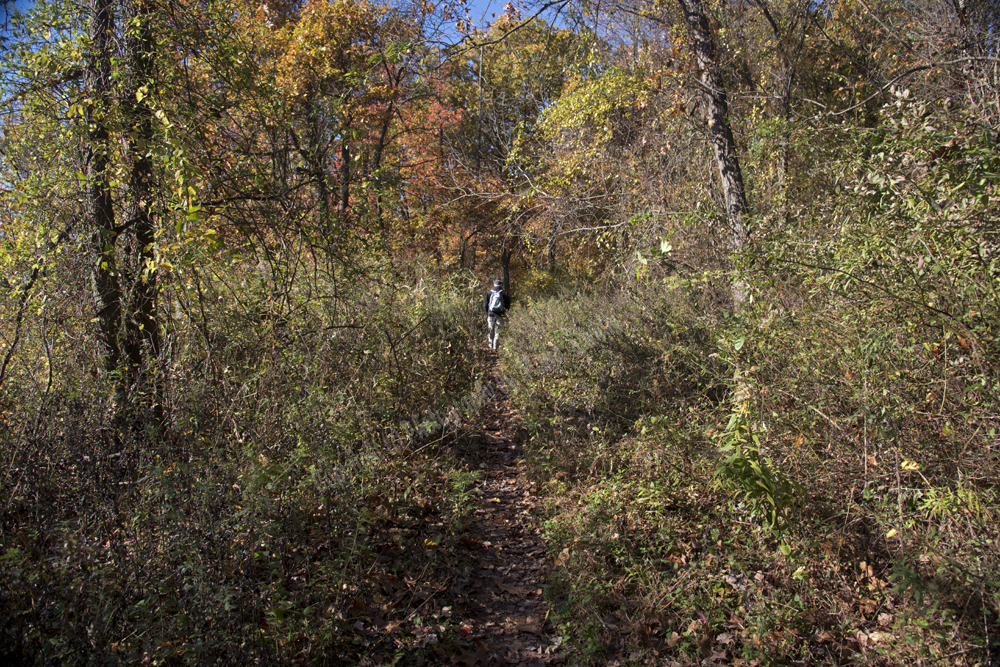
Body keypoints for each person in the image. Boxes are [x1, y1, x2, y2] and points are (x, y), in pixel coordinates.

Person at [484, 278, 510, 351]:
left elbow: (485, 304)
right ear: (501, 285)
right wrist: (504, 311)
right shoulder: (504, 293)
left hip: (491, 314)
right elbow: (508, 305)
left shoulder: (489, 293)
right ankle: (495, 348)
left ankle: (490, 347)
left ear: (494, 285)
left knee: (490, 330)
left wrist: (488, 312)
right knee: (497, 331)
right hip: (500, 315)